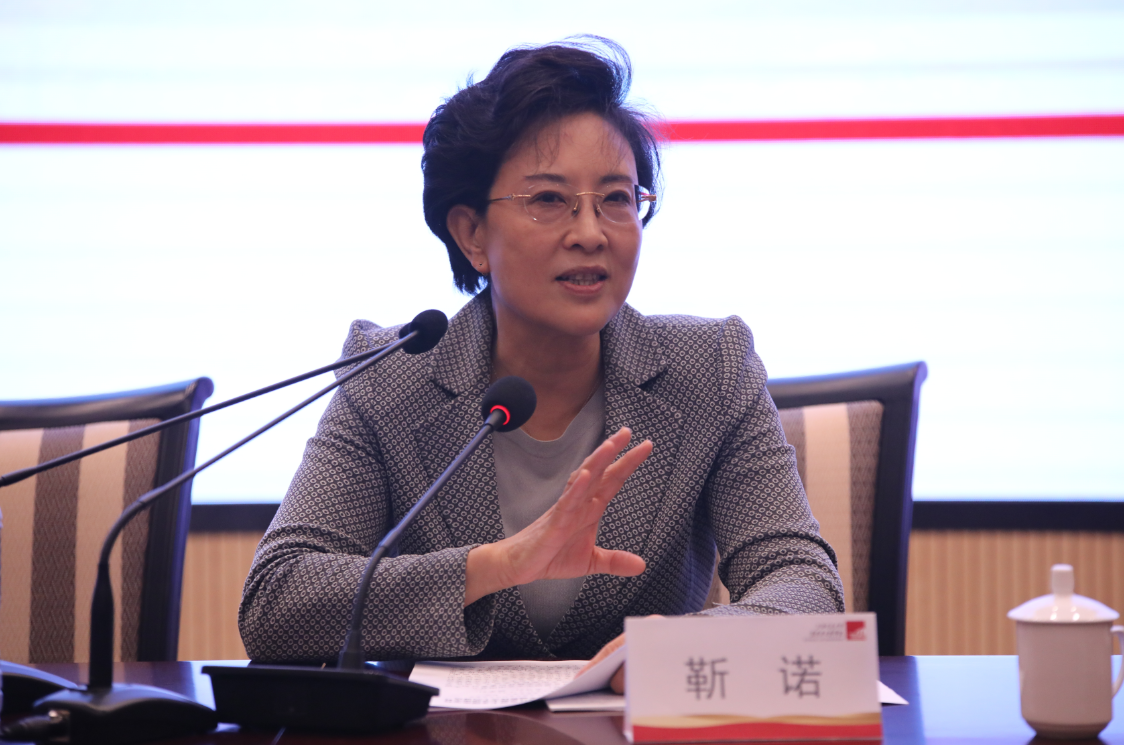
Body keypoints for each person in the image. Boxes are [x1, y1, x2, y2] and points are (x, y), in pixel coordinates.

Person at [239, 38, 843, 690]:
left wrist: (682, 648)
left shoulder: (710, 368)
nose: (591, 232)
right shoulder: (391, 377)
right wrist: (495, 565)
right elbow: (277, 602)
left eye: (616, 198)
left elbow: (804, 581)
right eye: (550, 200)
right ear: (472, 234)